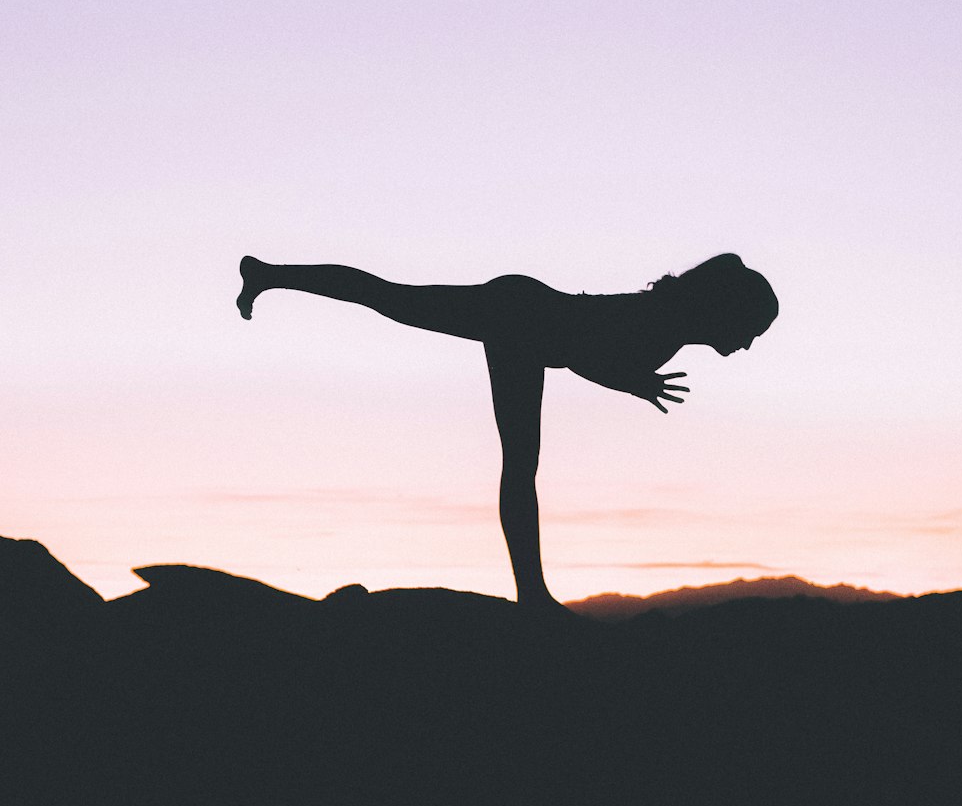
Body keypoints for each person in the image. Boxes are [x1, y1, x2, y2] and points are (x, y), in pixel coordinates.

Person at [236, 253, 778, 613]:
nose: (749, 345)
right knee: (520, 462)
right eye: (751, 330)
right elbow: (585, 354)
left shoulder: (669, 323)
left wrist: (631, 380)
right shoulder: (663, 327)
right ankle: (533, 595)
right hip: (520, 320)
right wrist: (633, 383)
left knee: (391, 298)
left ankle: (266, 274)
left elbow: (594, 351)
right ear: (726, 312)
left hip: (524, 312)